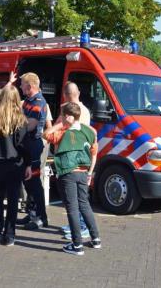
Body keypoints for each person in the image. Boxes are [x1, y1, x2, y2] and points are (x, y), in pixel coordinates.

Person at [44, 102, 101, 255]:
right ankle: (95, 239)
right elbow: (94, 153)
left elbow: (45, 134)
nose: (60, 118)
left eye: (62, 115)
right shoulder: (90, 131)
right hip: (83, 172)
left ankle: (77, 245)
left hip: (67, 172)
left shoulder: (62, 132)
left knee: (72, 208)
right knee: (84, 204)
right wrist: (90, 172)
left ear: (68, 116)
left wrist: (59, 124)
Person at [0, 86, 32, 246]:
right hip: (15, 162)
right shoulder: (20, 118)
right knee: (14, 198)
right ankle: (9, 235)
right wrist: (28, 163)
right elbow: (23, 144)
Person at [18, 72, 48, 229]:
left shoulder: (38, 101)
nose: (21, 87)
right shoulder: (29, 101)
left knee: (35, 184)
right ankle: (31, 214)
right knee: (28, 183)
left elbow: (30, 125)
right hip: (26, 145)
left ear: (29, 86)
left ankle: (40, 218)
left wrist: (15, 123)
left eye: (22, 84)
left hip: (33, 146)